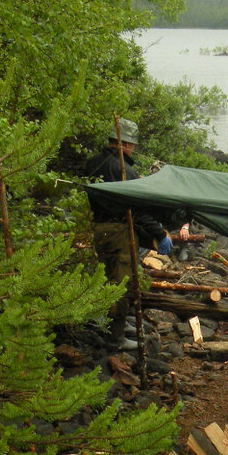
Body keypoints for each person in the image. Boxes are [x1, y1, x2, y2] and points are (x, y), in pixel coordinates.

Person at [81, 119, 181, 351]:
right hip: (119, 232)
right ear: (125, 143)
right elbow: (136, 210)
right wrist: (159, 233)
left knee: (107, 275)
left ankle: (109, 324)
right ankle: (115, 337)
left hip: (100, 228)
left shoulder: (93, 163)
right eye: (132, 144)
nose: (133, 149)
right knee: (122, 282)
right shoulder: (123, 169)